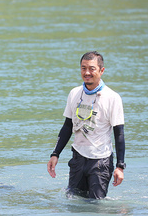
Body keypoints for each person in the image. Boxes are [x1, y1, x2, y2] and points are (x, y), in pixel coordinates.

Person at [47, 51, 126, 199]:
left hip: (100, 162)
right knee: (74, 201)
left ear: (101, 71)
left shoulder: (112, 98)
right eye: (83, 68)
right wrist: (55, 154)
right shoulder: (74, 93)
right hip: (78, 159)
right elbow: (67, 127)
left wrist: (120, 166)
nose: (87, 72)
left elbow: (119, 134)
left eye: (92, 68)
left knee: (96, 206)